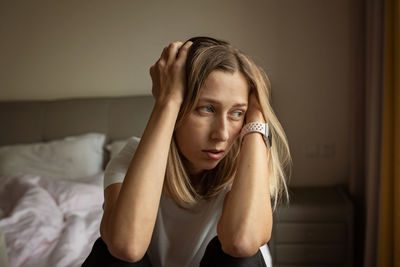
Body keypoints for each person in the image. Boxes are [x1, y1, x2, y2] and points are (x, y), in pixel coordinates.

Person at [82, 36, 291, 267]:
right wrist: (167, 102)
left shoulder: (248, 164)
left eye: (237, 113)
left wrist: (258, 119)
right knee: (110, 252)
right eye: (207, 108)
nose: (222, 134)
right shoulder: (131, 157)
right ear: (179, 107)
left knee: (243, 259)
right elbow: (127, 247)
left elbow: (242, 242)